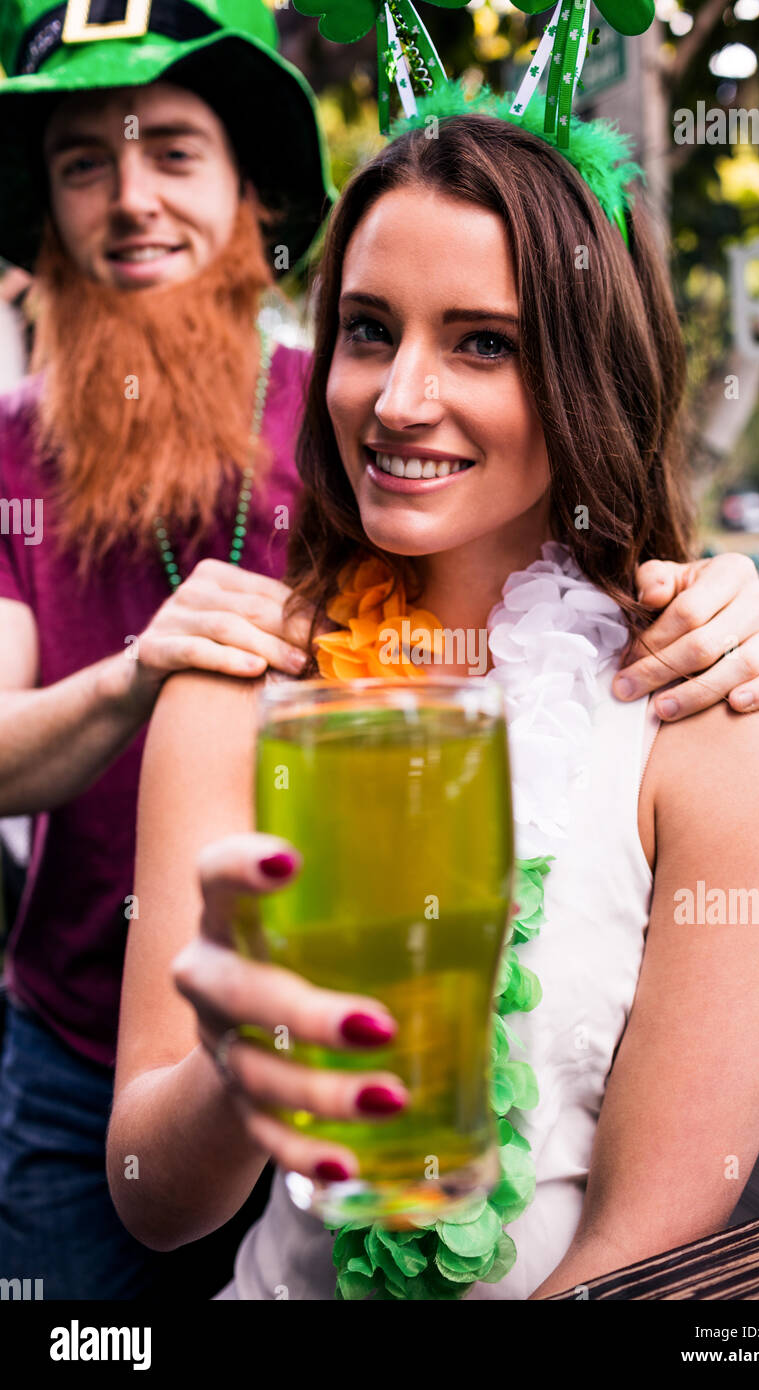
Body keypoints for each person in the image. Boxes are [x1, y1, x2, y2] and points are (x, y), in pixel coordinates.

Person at [107, 96, 759, 1301]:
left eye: (482, 341)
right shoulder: (236, 684)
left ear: (588, 371)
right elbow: (151, 1200)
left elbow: (645, 1241)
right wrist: (245, 1053)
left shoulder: (718, 726)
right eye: (366, 330)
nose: (396, 398)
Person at [0, 0, 335, 1299]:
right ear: (48, 206)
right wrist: (139, 667)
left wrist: (699, 598)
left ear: (251, 191)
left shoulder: (357, 411)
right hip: (71, 1065)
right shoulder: (11, 452)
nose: (130, 199)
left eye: (173, 151)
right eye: (84, 159)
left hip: (324, 1041)